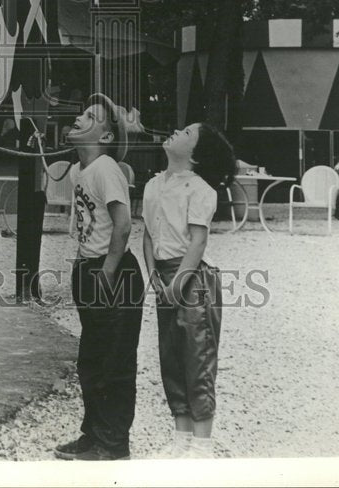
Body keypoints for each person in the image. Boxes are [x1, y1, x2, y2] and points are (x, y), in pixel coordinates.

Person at [54, 93, 145, 461]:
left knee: (114, 360)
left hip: (113, 271)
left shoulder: (107, 169)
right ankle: (93, 435)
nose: (79, 117)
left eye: (90, 116)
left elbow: (123, 225)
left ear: (105, 138)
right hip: (89, 268)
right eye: (82, 112)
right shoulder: (82, 170)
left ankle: (114, 443)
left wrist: (106, 271)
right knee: (91, 358)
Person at [142, 122, 236, 459]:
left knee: (198, 357)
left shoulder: (200, 190)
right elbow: (150, 235)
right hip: (164, 278)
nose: (175, 132)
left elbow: (198, 240)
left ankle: (202, 445)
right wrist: (153, 275)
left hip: (192, 278)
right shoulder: (154, 185)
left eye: (185, 133)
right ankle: (181, 439)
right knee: (171, 356)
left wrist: (178, 282)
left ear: (196, 155)